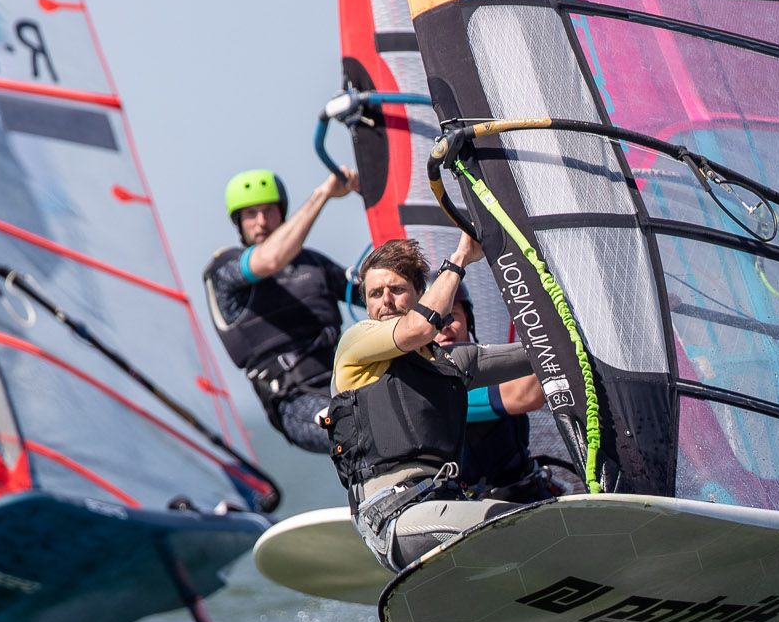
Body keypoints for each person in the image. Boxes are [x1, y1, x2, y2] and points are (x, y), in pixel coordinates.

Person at [326, 233, 552, 569]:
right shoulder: (355, 345)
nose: (385, 300)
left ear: (419, 295)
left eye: (397, 290)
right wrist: (461, 256)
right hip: (394, 518)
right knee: (527, 528)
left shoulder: (449, 362)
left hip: (445, 504)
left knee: (536, 522)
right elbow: (418, 328)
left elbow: (543, 354)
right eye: (375, 293)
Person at [202, 167, 356, 452]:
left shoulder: (313, 264)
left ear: (282, 213)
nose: (261, 222)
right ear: (238, 222)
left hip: (347, 382)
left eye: (269, 211)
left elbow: (375, 288)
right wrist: (323, 194)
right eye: (251, 214)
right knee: (349, 428)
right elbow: (270, 259)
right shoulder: (225, 271)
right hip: (295, 402)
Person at [443, 292, 557, 501]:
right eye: (436, 319)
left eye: (452, 315)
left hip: (530, 495)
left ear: (469, 320)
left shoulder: (491, 363)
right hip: (481, 513)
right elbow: (525, 394)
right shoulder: (431, 387)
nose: (444, 326)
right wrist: (552, 336)